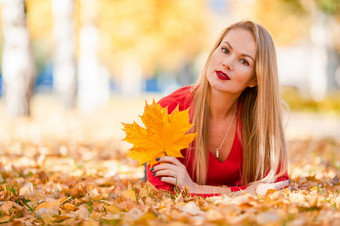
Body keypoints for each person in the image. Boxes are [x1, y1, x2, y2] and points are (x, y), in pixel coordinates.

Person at [147, 20, 289, 197]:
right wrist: (246, 192)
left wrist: (195, 188)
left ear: (255, 80)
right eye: (225, 50)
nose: (227, 63)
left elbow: (278, 184)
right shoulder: (168, 110)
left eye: (244, 61)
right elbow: (162, 191)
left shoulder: (261, 119)